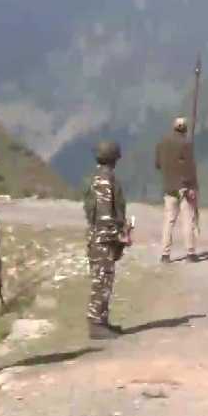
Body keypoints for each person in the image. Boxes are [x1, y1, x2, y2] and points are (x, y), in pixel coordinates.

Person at [85, 140, 132, 340]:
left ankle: (102, 321)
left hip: (100, 237)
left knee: (105, 280)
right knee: (101, 281)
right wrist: (118, 236)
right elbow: (105, 215)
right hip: (102, 239)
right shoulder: (105, 180)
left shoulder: (99, 177)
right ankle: (96, 324)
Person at [154, 117, 199, 263]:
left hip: (169, 188)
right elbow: (190, 167)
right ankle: (190, 253)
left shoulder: (162, 143)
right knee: (187, 220)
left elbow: (158, 164)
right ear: (185, 129)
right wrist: (192, 186)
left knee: (169, 221)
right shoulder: (187, 143)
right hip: (185, 187)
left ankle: (165, 254)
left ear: (173, 127)